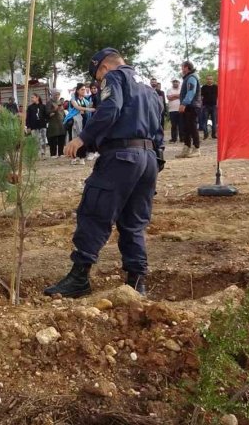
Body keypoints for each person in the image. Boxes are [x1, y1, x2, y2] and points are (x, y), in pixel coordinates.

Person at [44, 48, 163, 298]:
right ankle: (137, 282)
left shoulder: (114, 77)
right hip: (148, 159)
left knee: (94, 212)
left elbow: (110, 110)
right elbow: (158, 131)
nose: (99, 83)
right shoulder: (149, 89)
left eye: (98, 78)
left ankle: (79, 278)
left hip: (121, 158)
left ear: (104, 69)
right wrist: (154, 164)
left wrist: (82, 139)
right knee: (133, 223)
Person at [178, 61, 201, 157]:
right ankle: (186, 148)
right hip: (189, 106)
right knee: (186, 128)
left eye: (182, 67)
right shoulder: (187, 78)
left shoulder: (192, 77)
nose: (181, 69)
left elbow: (191, 91)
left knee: (192, 127)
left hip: (192, 106)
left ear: (186, 68)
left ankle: (197, 149)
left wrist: (184, 103)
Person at [69, 85, 93, 165]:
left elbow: (90, 107)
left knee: (83, 139)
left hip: (84, 121)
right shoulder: (73, 99)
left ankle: (82, 157)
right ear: (78, 91)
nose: (84, 91)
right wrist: (88, 109)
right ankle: (73, 157)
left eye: (85, 90)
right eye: (82, 90)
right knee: (74, 139)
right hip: (74, 122)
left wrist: (88, 108)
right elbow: (77, 107)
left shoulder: (86, 100)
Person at [26, 93, 48, 157]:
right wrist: (28, 126)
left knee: (43, 139)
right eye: (31, 97)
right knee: (36, 140)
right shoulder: (30, 107)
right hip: (34, 126)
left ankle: (43, 153)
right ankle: (38, 153)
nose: (32, 99)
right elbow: (28, 117)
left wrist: (46, 121)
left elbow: (46, 115)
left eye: (33, 97)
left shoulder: (43, 106)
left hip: (42, 125)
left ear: (37, 97)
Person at [46, 91, 66, 158]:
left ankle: (61, 153)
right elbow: (47, 113)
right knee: (53, 139)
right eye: (55, 95)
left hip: (61, 122)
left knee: (61, 138)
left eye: (58, 95)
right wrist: (55, 109)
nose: (57, 96)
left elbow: (62, 111)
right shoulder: (49, 102)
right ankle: (53, 154)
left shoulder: (60, 102)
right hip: (53, 123)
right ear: (52, 95)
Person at [199, 74, 218, 139]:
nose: (209, 80)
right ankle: (205, 134)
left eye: (210, 79)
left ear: (212, 80)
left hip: (214, 106)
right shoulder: (203, 87)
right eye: (208, 79)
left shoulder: (216, 87)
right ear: (206, 80)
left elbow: (218, 96)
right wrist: (201, 104)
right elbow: (201, 96)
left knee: (214, 121)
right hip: (205, 106)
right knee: (204, 121)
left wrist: (217, 103)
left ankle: (213, 135)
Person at [166, 79, 181, 144]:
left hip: (181, 109)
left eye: (176, 82)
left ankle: (182, 138)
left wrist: (173, 96)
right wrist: (178, 96)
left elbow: (182, 96)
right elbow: (169, 98)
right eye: (174, 82)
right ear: (172, 83)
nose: (175, 83)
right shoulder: (169, 90)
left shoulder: (182, 89)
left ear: (179, 82)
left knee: (181, 125)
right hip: (172, 110)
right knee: (174, 125)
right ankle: (173, 139)